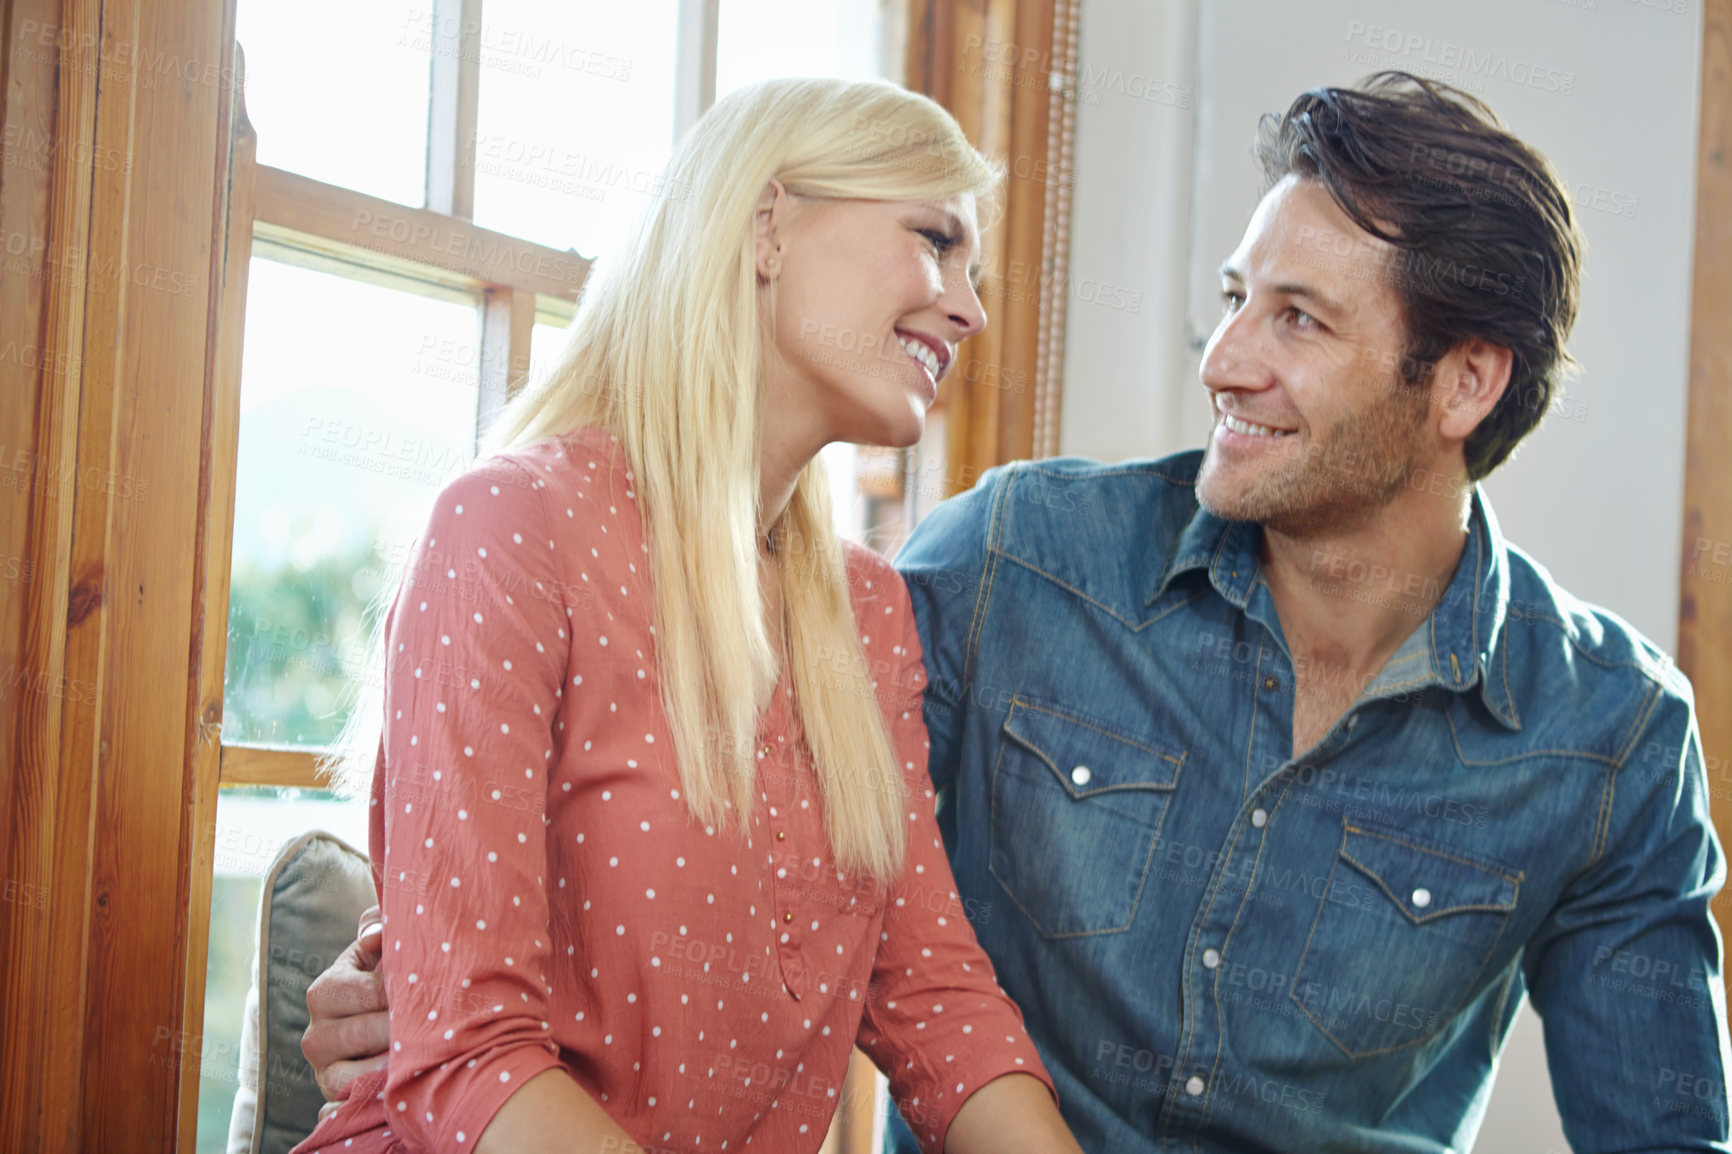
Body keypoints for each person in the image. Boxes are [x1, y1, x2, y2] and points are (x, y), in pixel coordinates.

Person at [309, 71, 1732, 1152]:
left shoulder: (1608, 736)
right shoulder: (1010, 561)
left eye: (1298, 318)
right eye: (1238, 299)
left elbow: (920, 980)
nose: (1224, 359)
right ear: (758, 228)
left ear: (1463, 384)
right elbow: (551, 934)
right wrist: (422, 994)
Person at [287, 76, 1083, 1154]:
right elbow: (471, 1057)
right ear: (767, 224)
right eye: (934, 238)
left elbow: (935, 995)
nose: (969, 306)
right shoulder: (510, 525)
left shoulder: (867, 609)